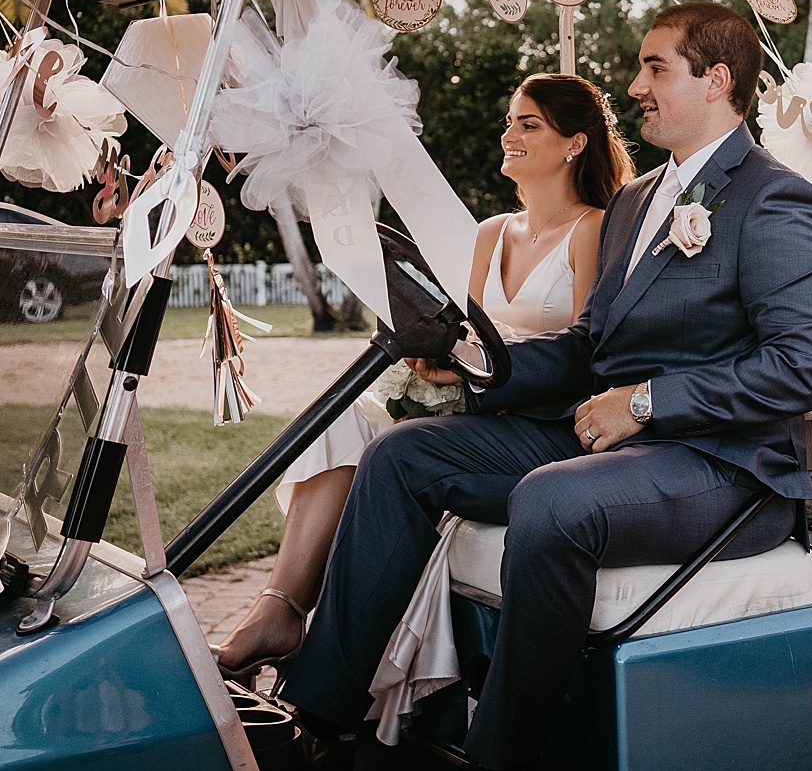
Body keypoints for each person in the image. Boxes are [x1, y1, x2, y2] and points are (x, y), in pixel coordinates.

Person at [281, 2, 812, 770]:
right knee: (401, 457)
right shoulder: (638, 202)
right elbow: (588, 344)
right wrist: (479, 363)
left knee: (552, 499)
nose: (636, 85)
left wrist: (646, 401)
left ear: (717, 80)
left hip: (725, 466)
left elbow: (808, 364)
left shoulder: (774, 198)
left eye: (656, 68)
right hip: (614, 441)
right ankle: (324, 719)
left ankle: (501, 754)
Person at [214, 73, 634, 679]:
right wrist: (432, 356)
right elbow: (467, 329)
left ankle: (310, 647)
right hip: (479, 395)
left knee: (390, 448)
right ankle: (280, 607)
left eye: (529, 124)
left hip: (539, 416)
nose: (508, 134)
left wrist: (475, 374)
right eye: (510, 120)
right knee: (340, 419)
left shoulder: (593, 228)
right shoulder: (492, 232)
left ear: (575, 143)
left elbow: (584, 351)